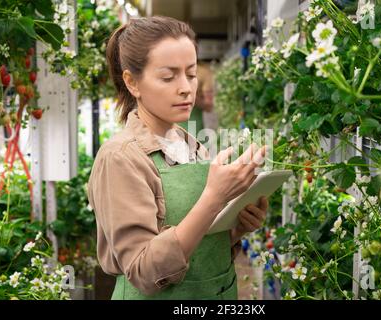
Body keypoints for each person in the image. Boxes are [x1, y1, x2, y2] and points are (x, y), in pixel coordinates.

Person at [87, 16, 269, 300]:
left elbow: (195, 246)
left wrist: (235, 228)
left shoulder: (193, 146)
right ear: (132, 82)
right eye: (168, 76)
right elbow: (144, 271)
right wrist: (213, 197)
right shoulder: (121, 158)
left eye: (191, 74)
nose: (186, 87)